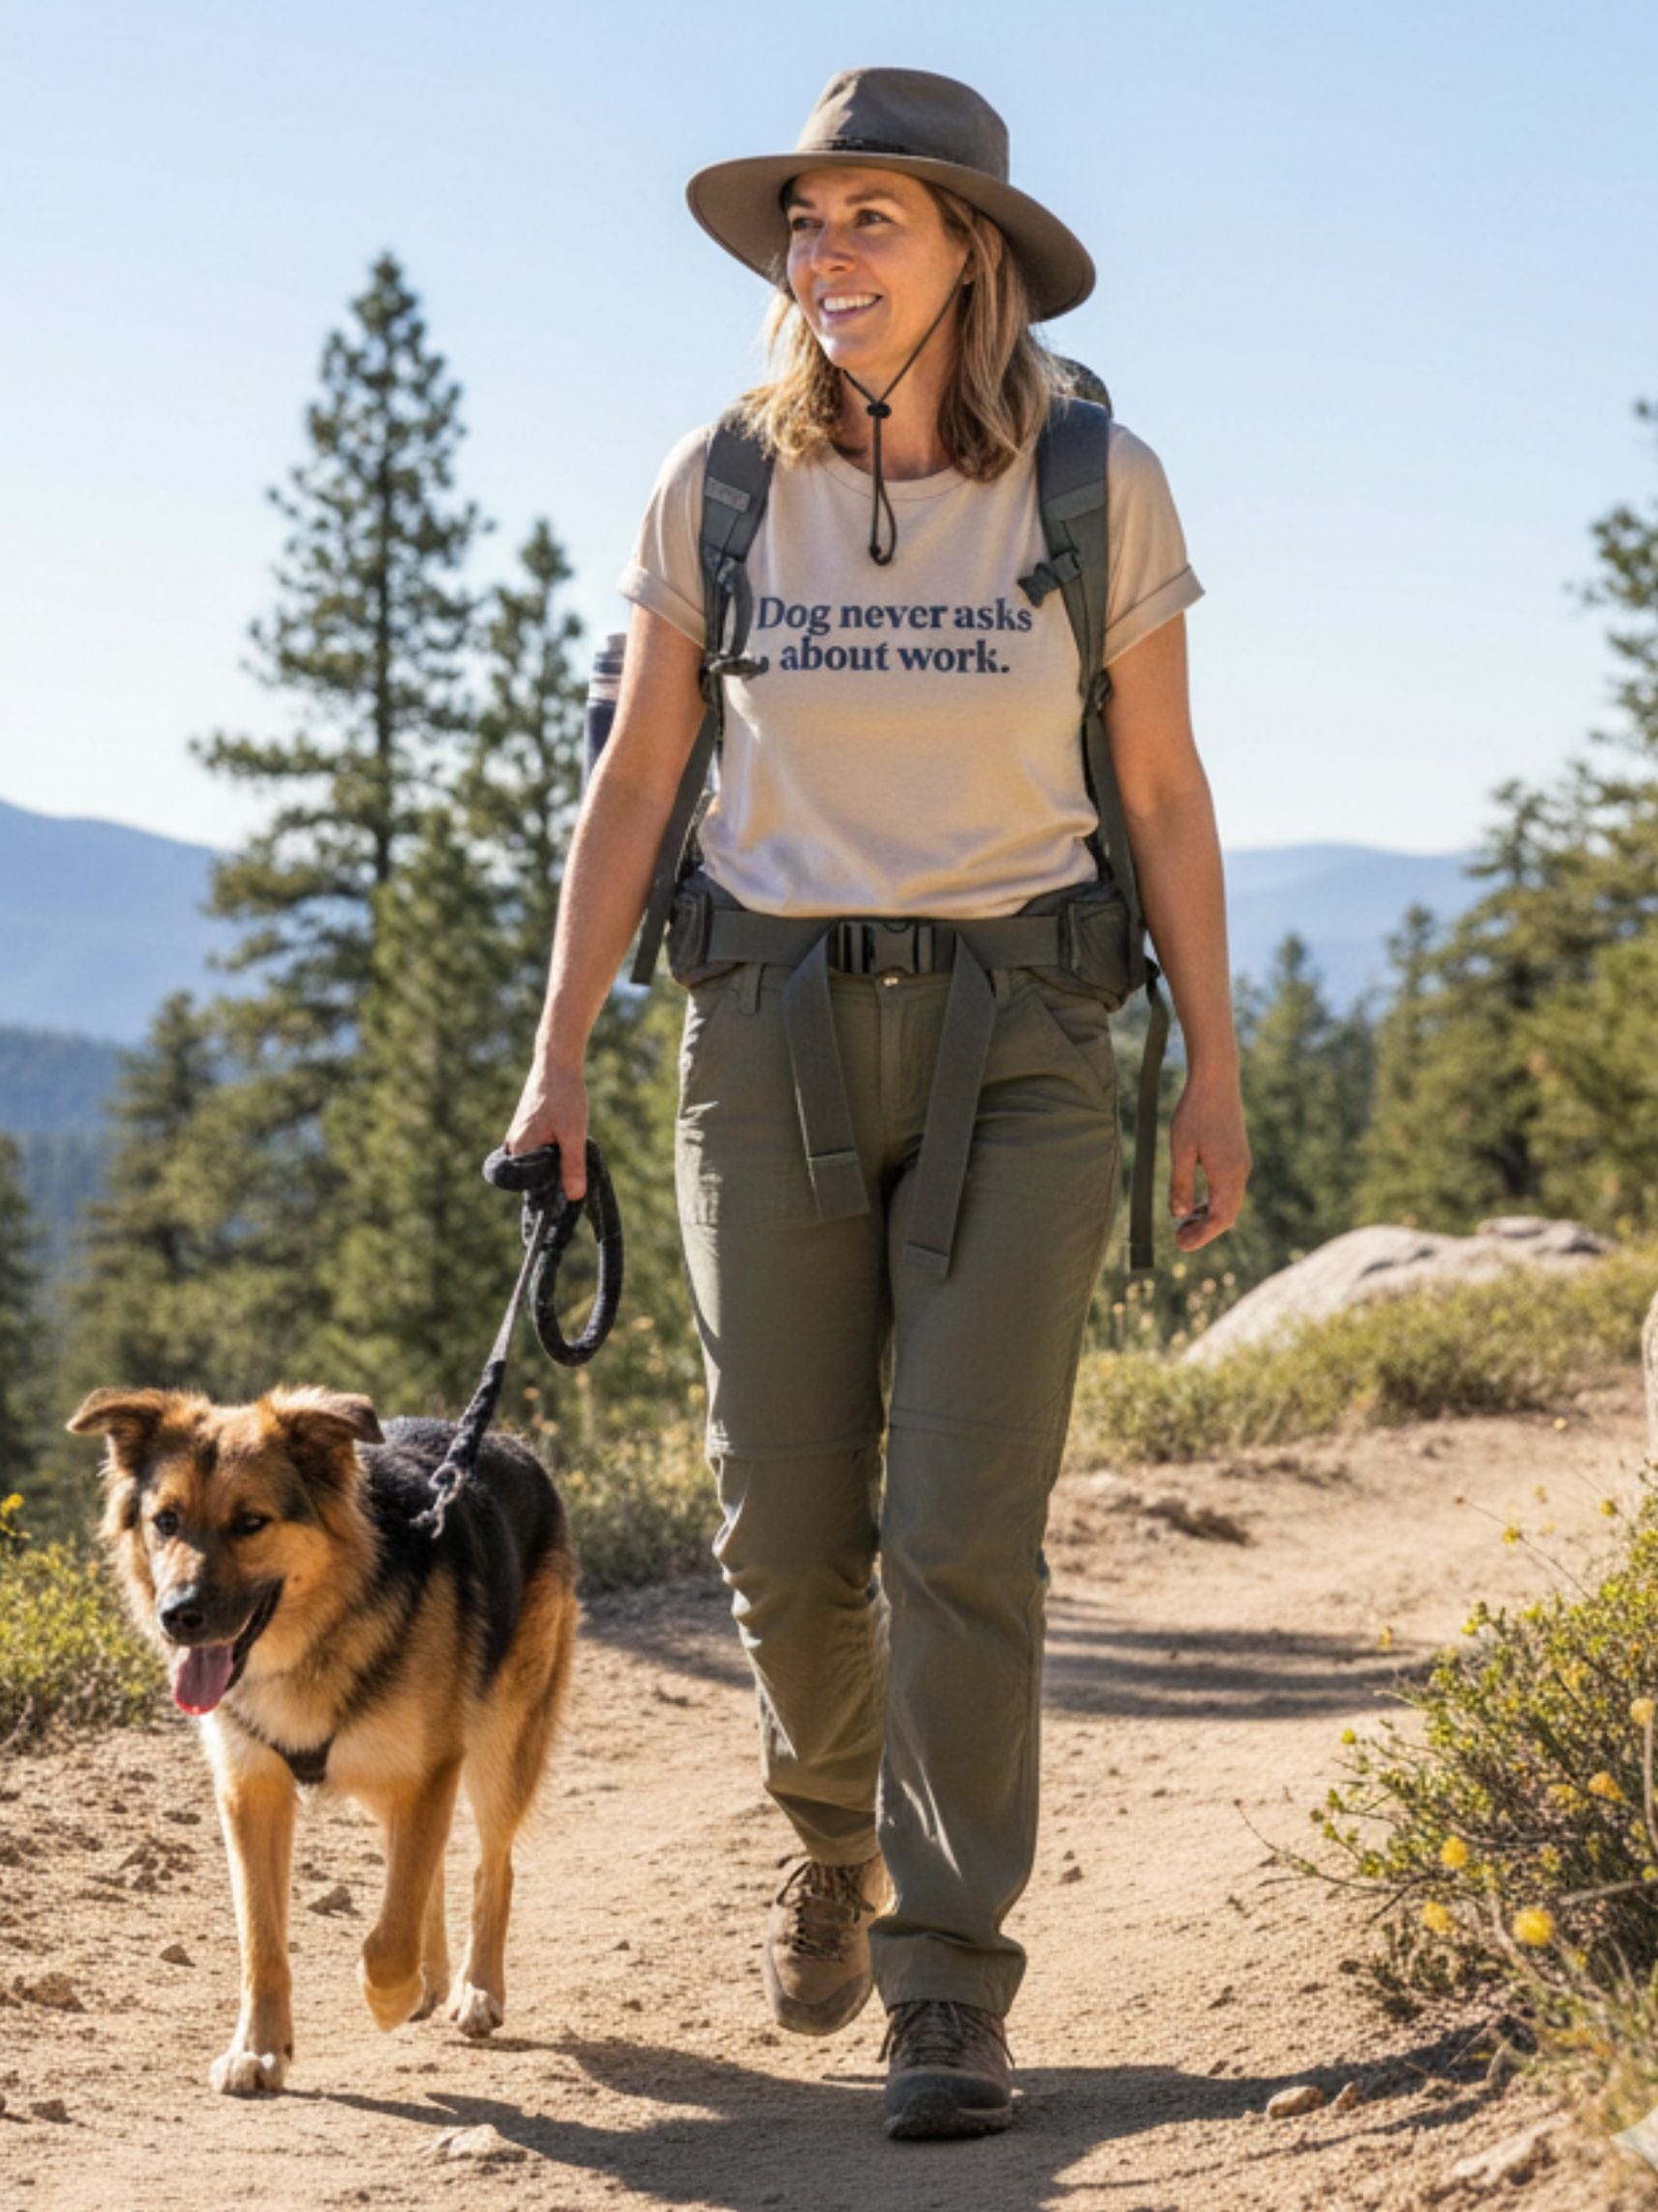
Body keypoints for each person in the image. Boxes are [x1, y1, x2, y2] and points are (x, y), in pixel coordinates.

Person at [502, 67, 1250, 2141]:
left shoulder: (1095, 485)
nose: (821, 256)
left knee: (960, 1532)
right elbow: (634, 782)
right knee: (777, 1519)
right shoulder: (721, 483)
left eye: (869, 220)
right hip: (763, 1031)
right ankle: (830, 1830)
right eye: (803, 221)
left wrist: (1213, 1058)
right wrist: (557, 1055)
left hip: (1028, 1037)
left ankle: (945, 1979)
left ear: (969, 255)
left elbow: (1165, 787)